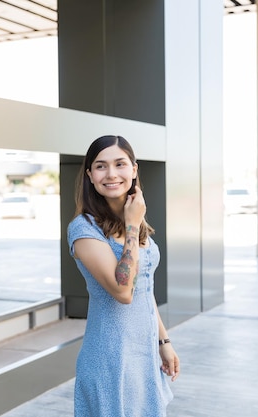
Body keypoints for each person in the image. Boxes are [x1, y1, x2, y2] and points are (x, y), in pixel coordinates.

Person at [67, 135, 180, 416]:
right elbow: (124, 291)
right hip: (111, 359)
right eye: (101, 166)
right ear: (90, 175)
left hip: (143, 356)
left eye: (120, 164)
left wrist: (163, 342)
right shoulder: (84, 229)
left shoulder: (135, 221)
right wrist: (132, 224)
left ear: (134, 170)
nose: (112, 174)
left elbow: (144, 290)